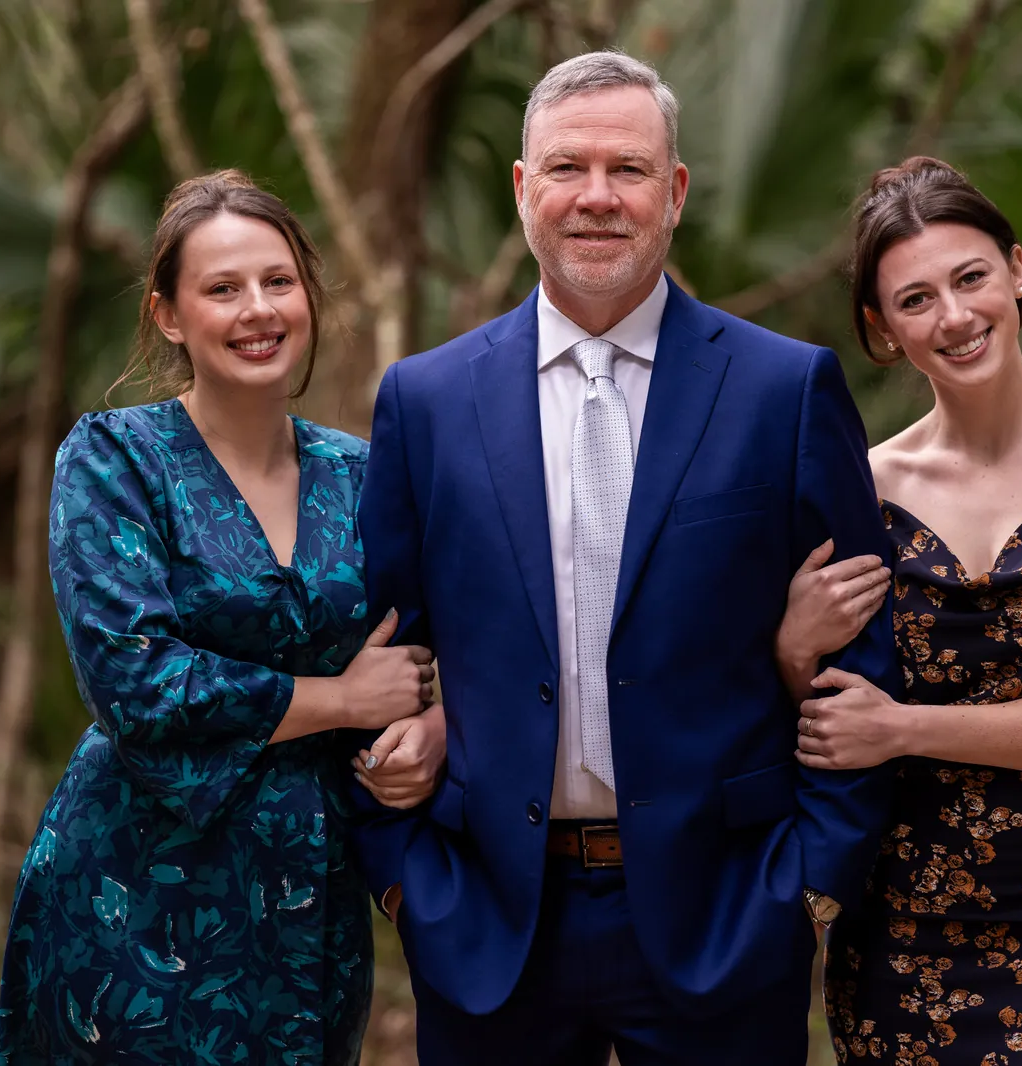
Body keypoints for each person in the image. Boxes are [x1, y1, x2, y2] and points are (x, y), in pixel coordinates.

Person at [350, 50, 899, 1065]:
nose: (595, 197)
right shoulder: (423, 403)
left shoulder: (783, 390)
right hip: (485, 917)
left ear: (675, 192)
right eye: (566, 168)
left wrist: (812, 883)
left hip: (726, 911)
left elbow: (860, 657)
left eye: (628, 170)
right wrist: (402, 871)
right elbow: (383, 646)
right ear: (523, 190)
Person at [0, 170, 445, 1066]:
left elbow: (436, 644)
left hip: (310, 892)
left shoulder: (365, 472)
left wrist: (430, 722)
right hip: (135, 886)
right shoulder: (115, 458)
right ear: (169, 314)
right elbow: (136, 682)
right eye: (223, 288)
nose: (258, 310)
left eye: (278, 282)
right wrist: (340, 700)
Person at [776, 156, 1022, 1065]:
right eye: (916, 300)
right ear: (883, 329)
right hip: (896, 916)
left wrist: (906, 728)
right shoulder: (862, 488)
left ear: (1018, 271)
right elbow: (830, 716)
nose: (954, 317)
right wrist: (794, 648)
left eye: (971, 278)